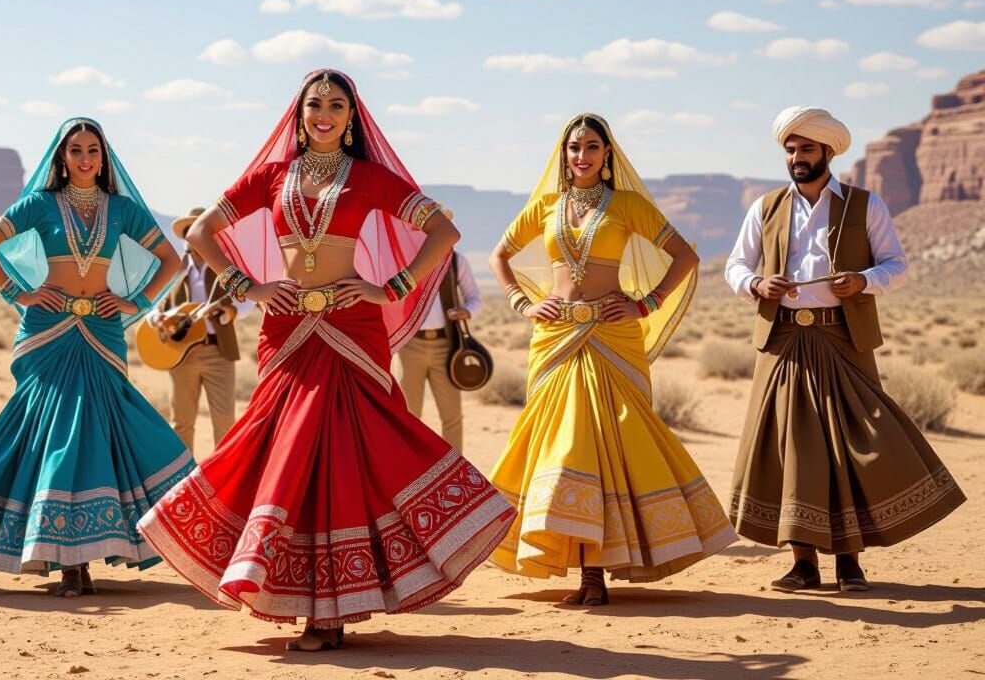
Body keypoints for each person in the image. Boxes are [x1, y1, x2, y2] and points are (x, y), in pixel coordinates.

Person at [137, 70, 515, 651]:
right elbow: (203, 233)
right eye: (316, 104)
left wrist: (391, 287)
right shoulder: (268, 177)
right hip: (286, 328)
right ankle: (285, 588)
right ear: (300, 113)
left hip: (351, 327)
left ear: (351, 118)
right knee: (276, 446)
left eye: (337, 105)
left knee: (343, 451)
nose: (325, 113)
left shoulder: (369, 178)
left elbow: (444, 230)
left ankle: (328, 613)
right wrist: (250, 286)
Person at [0, 117, 194, 597]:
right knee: (53, 433)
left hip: (102, 330)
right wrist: (19, 291)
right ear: (62, 157)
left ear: (104, 156)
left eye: (94, 150)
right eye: (76, 150)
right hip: (48, 332)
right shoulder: (39, 204)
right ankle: (65, 557)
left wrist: (136, 302)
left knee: (101, 430)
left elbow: (172, 260)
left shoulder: (122, 210)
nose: (86, 158)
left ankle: (91, 546)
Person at [488, 113, 736, 606]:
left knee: (611, 442)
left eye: (592, 147)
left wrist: (646, 302)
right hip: (556, 338)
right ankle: (580, 562)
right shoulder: (545, 206)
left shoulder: (626, 205)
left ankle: (596, 571)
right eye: (574, 147)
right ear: (564, 155)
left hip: (611, 336)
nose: (582, 156)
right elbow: (499, 256)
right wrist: (525, 303)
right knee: (561, 444)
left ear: (607, 155)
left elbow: (685, 256)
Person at [724, 106, 965, 592]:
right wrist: (756, 283)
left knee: (849, 447)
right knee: (792, 449)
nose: (796, 157)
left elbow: (896, 263)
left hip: (843, 339)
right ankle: (803, 563)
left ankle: (850, 562)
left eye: (806, 149)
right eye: (790, 149)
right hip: (784, 340)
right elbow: (734, 264)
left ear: (828, 152)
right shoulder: (765, 207)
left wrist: (863, 280)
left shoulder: (865, 204)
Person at [146, 207, 252, 452]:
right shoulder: (175, 272)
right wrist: (158, 319)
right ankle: (185, 481)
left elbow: (245, 303)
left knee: (224, 420)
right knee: (181, 422)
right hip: (181, 355)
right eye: (191, 231)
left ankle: (222, 482)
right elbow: (153, 308)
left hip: (219, 352)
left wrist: (229, 314)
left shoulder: (227, 271)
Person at [396, 208, 481, 451]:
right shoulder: (404, 260)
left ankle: (456, 472)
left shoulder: (456, 261)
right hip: (409, 346)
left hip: (447, 346)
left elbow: (474, 298)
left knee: (452, 416)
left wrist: (467, 311)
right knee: (408, 415)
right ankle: (409, 473)